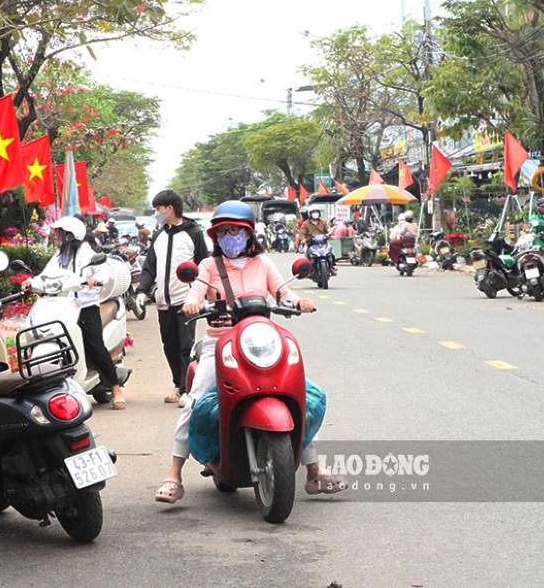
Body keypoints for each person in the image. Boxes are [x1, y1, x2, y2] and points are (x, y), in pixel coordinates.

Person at [154, 201, 345, 504]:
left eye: (236, 231)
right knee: (195, 401)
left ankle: (314, 470)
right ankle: (174, 474)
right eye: (223, 232)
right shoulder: (208, 267)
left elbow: (283, 291)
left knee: (301, 395)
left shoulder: (263, 264)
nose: (230, 237)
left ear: (249, 234)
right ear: (216, 237)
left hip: (261, 341)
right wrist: (192, 304)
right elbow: (196, 294)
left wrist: (299, 302)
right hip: (220, 343)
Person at [39, 216, 127, 408]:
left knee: (95, 346)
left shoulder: (87, 252)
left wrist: (96, 279)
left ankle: (115, 388)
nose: (56, 236)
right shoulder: (59, 255)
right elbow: (45, 274)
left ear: (70, 235)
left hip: (85, 307)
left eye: (59, 232)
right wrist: (32, 282)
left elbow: (104, 271)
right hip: (62, 307)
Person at [136, 190, 209, 406]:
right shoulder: (158, 235)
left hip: (186, 300)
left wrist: (201, 295)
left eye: (158, 209)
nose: (156, 213)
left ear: (170, 208)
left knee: (186, 345)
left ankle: (187, 389)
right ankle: (178, 383)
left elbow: (204, 264)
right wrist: (142, 291)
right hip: (163, 301)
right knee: (169, 345)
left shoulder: (193, 233)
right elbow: (150, 266)